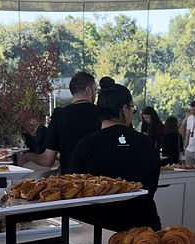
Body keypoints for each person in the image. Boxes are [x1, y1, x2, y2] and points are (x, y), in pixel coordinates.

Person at [67, 76, 161, 232]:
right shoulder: (145, 144)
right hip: (142, 228)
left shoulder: (85, 145)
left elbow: (71, 189)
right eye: (132, 108)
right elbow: (152, 185)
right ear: (124, 110)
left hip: (97, 230)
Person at [18, 71, 101, 174]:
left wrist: (27, 156)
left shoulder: (59, 115)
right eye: (95, 91)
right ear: (89, 91)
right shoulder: (101, 114)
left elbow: (47, 160)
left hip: (70, 181)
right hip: (99, 180)